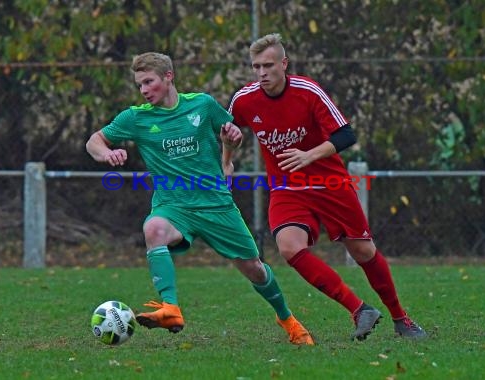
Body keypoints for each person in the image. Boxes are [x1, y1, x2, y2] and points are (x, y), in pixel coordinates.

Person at [86, 52, 314, 345]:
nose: (143, 90)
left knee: (254, 268)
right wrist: (106, 153)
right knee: (153, 229)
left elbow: (231, 134)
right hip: (174, 205)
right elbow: (94, 141)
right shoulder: (136, 117)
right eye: (139, 85)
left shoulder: (202, 105)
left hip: (215, 203)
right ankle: (171, 308)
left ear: (169, 77)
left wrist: (230, 146)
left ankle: (287, 319)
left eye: (148, 82)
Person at [228, 33, 426, 340]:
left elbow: (346, 135)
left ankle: (402, 320)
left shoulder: (307, 91)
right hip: (286, 186)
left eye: (268, 65)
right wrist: (227, 157)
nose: (261, 73)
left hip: (328, 183)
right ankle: (360, 310)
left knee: (363, 251)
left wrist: (309, 155)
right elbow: (229, 131)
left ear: (284, 64)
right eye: (256, 66)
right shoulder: (244, 99)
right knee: (289, 247)